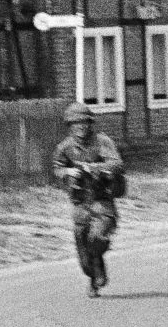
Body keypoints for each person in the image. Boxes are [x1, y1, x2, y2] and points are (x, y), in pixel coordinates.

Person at [49, 101, 124, 296]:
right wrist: (69, 172)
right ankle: (94, 275)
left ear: (90, 124)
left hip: (102, 201)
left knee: (96, 238)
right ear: (70, 126)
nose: (80, 127)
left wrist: (96, 168)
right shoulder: (65, 147)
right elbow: (56, 168)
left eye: (84, 123)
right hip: (80, 204)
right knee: (83, 254)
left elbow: (117, 164)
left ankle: (98, 264)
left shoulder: (102, 142)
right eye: (75, 123)